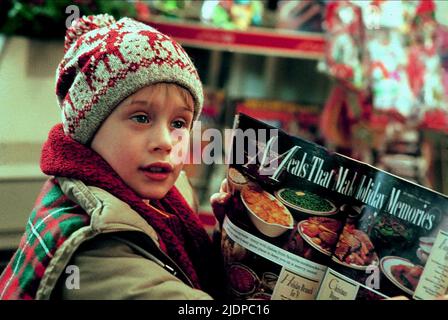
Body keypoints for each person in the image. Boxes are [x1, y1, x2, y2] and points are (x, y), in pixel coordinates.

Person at [0, 14, 224, 300]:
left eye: (179, 124)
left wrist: (233, 236)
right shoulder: (95, 247)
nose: (165, 142)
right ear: (88, 129)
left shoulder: (163, 198)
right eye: (141, 118)